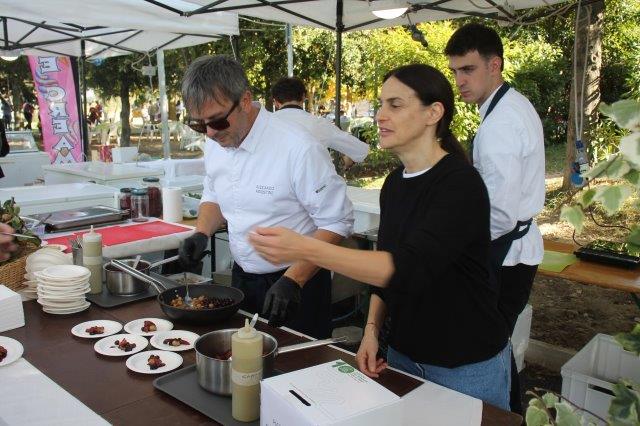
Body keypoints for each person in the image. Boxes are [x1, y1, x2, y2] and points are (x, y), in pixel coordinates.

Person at [249, 64, 511, 410]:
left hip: (465, 365)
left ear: (434, 113)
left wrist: (305, 247)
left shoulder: (460, 184)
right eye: (381, 104)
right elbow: (384, 269)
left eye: (395, 105)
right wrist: (371, 329)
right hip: (403, 356)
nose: (380, 116)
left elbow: (406, 267)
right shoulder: (394, 184)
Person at [178, 55, 354, 339]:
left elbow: (337, 221)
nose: (209, 133)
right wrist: (201, 232)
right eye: (199, 125)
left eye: (217, 121)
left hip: (297, 283)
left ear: (245, 101)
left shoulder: (298, 147)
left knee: (298, 363)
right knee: (242, 358)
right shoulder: (216, 142)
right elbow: (214, 192)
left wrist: (294, 280)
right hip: (242, 279)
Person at [445, 23, 545, 414]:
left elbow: (499, 214)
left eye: (468, 69)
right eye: (455, 71)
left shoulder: (500, 125)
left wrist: (454, 247)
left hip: (506, 255)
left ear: (494, 65)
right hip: (515, 248)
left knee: (486, 349)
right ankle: (510, 414)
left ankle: (505, 416)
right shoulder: (512, 104)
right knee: (496, 345)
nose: (460, 80)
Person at [271, 77, 369, 169]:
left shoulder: (265, 124)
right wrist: (343, 161)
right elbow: (360, 150)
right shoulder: (319, 124)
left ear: (275, 102)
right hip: (311, 180)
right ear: (304, 97)